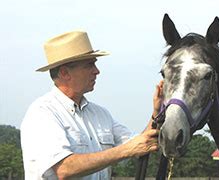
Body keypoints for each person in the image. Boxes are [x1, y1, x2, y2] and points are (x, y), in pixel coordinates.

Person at [20, 30, 163, 180]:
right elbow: (64, 168)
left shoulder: (100, 114)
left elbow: (140, 143)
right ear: (64, 73)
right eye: (89, 65)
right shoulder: (42, 113)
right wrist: (125, 150)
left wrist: (157, 112)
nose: (97, 71)